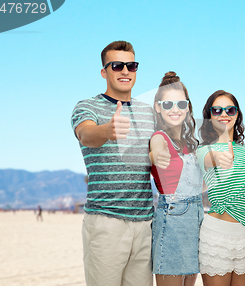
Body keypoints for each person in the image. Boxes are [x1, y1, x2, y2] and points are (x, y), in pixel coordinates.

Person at [71, 41, 154, 286]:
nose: (125, 71)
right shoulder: (87, 107)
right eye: (117, 65)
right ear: (104, 72)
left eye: (131, 65)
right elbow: (86, 135)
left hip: (145, 223)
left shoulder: (149, 112)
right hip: (106, 222)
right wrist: (107, 130)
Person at [197, 90, 245, 286]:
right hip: (216, 236)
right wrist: (219, 157)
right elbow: (210, 159)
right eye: (217, 110)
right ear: (209, 116)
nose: (224, 114)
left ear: (237, 114)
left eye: (230, 110)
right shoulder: (203, 150)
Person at [149, 72, 203, 286]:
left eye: (180, 103)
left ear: (188, 107)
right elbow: (156, 150)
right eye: (168, 103)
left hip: (197, 222)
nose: (175, 109)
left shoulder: (192, 143)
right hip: (172, 221)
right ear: (158, 107)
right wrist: (154, 155)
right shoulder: (159, 137)